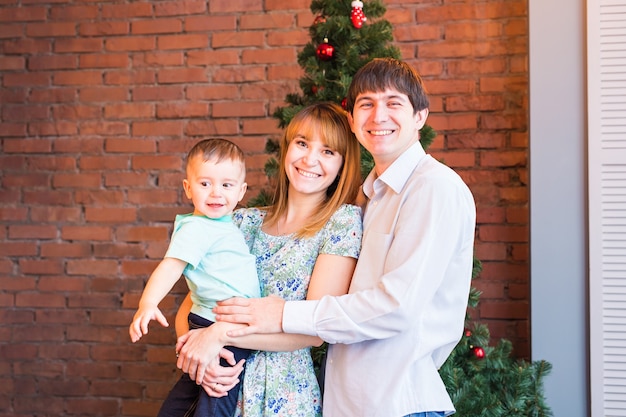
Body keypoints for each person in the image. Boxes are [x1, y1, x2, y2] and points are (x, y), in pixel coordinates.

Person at [189, 57, 477, 417]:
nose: (379, 116)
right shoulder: (370, 196)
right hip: (348, 402)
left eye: (393, 103)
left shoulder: (432, 187)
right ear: (354, 121)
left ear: (420, 116)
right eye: (366, 104)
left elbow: (397, 308)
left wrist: (280, 315)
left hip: (398, 402)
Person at [174, 102, 364, 416]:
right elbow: (192, 304)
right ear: (287, 149)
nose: (310, 159)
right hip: (217, 383)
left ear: (343, 164)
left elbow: (314, 330)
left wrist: (219, 334)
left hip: (282, 395)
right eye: (302, 144)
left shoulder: (340, 224)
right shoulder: (239, 221)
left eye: (328, 151)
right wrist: (197, 356)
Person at [129, 138, 261, 417]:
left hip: (214, 323)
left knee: (190, 395)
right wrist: (148, 303)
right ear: (188, 188)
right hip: (219, 326)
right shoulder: (198, 228)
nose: (216, 193)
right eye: (205, 184)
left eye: (226, 185)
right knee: (215, 401)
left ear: (241, 191)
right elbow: (171, 266)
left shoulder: (224, 224)